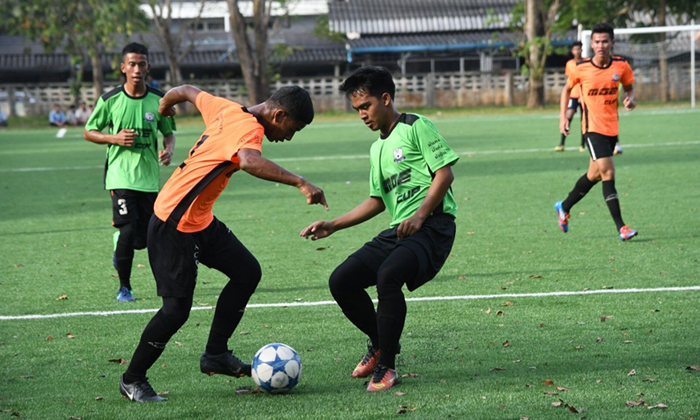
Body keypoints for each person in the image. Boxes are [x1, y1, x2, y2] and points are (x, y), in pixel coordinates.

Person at [118, 83, 328, 402]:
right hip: (173, 222)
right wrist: (300, 182)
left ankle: (215, 355)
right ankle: (132, 379)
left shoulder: (227, 108)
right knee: (176, 311)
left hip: (199, 219)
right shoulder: (248, 127)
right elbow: (249, 161)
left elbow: (187, 90)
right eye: (292, 128)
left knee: (247, 272)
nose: (289, 136)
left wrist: (164, 105)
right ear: (279, 113)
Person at [300, 66, 459, 392]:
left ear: (385, 99)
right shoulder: (377, 149)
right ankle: (380, 341)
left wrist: (419, 215)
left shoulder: (417, 126)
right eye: (356, 109)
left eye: (365, 106)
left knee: (388, 276)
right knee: (342, 281)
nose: (361, 114)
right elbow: (376, 201)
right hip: (400, 229)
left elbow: (444, 175)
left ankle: (387, 366)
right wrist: (334, 224)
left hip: (433, 226)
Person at [84, 43, 177, 302]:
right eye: (132, 64)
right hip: (120, 175)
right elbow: (88, 131)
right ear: (123, 68)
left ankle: (121, 246)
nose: (137, 69)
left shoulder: (159, 100)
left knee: (144, 239)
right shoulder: (110, 99)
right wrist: (114, 138)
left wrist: (168, 150)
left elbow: (169, 132)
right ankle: (125, 288)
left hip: (148, 179)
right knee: (127, 232)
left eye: (142, 64)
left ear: (148, 67)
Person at [556, 22, 637, 241]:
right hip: (591, 129)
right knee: (608, 173)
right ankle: (622, 227)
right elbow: (566, 89)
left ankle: (563, 207)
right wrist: (564, 117)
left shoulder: (621, 66)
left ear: (612, 43)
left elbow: (629, 86)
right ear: (591, 44)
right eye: (597, 42)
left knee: (593, 175)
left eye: (605, 42)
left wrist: (630, 98)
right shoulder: (580, 68)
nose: (601, 46)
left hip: (612, 129)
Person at [555, 41, 586, 152]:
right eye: (575, 49)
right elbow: (570, 81)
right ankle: (562, 143)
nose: (577, 51)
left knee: (584, 120)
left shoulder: (586, 63)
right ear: (572, 51)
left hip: (584, 96)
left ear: (582, 50)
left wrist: (583, 94)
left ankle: (583, 144)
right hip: (573, 95)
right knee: (568, 117)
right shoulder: (569, 64)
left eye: (579, 49)